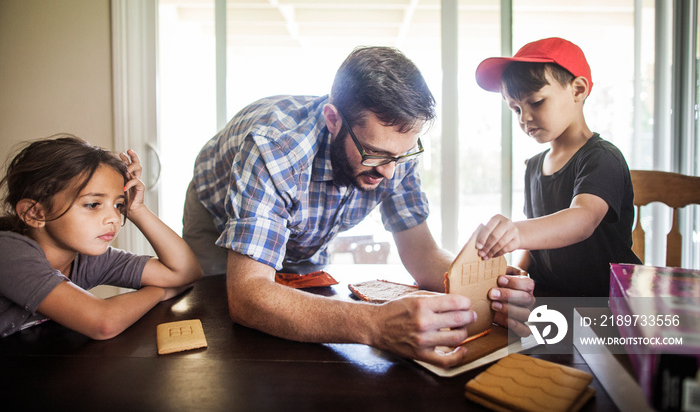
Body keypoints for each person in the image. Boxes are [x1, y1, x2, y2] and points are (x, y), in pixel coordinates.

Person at [183, 46, 535, 368]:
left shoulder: (396, 147)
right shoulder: (275, 149)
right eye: (375, 153)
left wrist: (486, 291)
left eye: (400, 156)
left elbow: (421, 253)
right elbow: (246, 297)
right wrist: (374, 325)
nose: (388, 171)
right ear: (333, 119)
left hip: (304, 233)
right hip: (217, 215)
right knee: (221, 330)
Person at [473, 37, 641, 297]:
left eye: (536, 102)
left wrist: (516, 232)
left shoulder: (602, 158)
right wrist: (520, 272)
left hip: (604, 304)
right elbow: (537, 236)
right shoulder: (534, 167)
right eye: (516, 109)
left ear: (577, 90)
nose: (524, 117)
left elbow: (582, 220)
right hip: (550, 302)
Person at [0, 136, 203, 339]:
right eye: (93, 204)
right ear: (34, 213)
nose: (114, 218)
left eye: (118, 205)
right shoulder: (8, 253)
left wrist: (136, 209)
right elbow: (104, 323)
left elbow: (185, 272)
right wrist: (160, 292)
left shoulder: (88, 259)